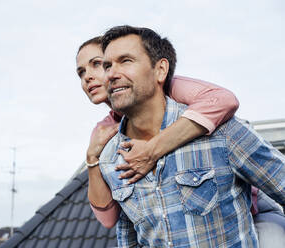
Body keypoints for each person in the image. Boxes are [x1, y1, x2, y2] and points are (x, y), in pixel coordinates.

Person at [96, 25, 285, 247]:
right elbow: (130, 239)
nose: (111, 74)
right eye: (107, 66)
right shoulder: (109, 158)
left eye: (125, 61)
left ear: (160, 70)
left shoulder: (221, 132)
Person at [76, 36, 240, 227]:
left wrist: (151, 150)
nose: (87, 76)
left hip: (249, 207)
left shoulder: (169, 88)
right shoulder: (104, 131)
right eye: (80, 72)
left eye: (98, 64)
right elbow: (108, 219)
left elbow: (224, 100)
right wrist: (91, 158)